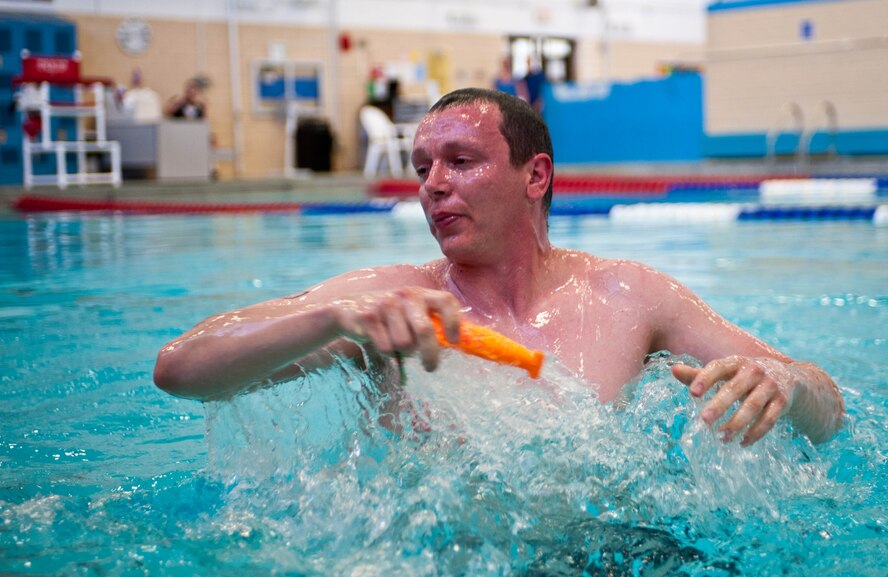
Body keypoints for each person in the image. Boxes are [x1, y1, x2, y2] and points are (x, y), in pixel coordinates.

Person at [154, 88, 844, 447]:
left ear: (534, 174)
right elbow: (180, 370)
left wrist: (779, 382)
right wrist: (333, 319)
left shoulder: (629, 294)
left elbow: (829, 406)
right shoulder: (389, 302)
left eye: (460, 162)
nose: (431, 185)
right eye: (423, 169)